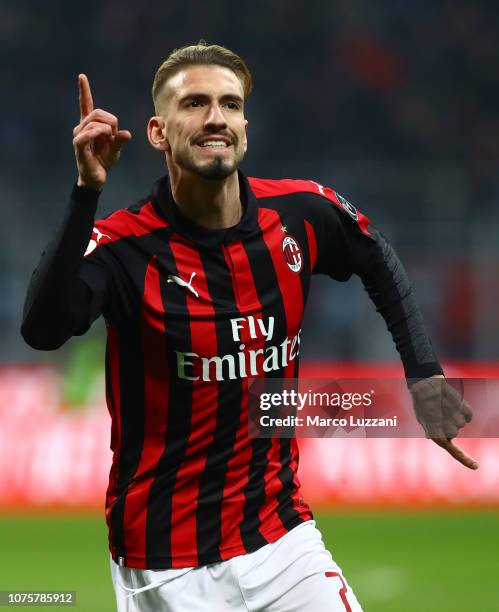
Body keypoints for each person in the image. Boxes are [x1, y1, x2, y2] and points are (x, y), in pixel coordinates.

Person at [21, 42, 478, 612]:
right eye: (195, 103)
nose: (216, 116)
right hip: (163, 567)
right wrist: (87, 191)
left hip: (282, 539)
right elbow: (42, 328)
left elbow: (375, 256)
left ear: (244, 125)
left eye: (230, 104)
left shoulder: (299, 213)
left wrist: (424, 373)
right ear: (159, 133)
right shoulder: (125, 247)